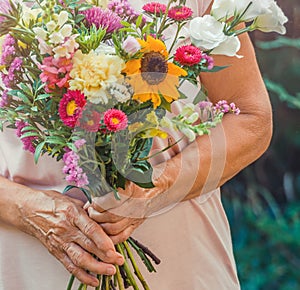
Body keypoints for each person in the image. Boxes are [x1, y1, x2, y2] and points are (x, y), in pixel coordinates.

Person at [0, 0, 272, 289]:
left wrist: (158, 186)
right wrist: (26, 209)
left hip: (183, 260)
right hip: (29, 264)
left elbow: (251, 119)